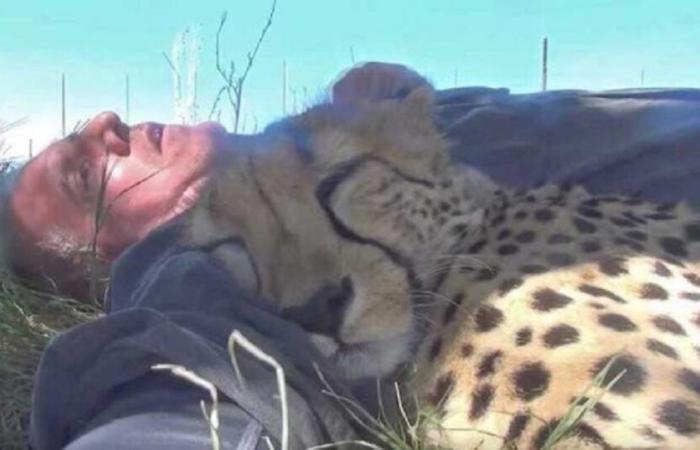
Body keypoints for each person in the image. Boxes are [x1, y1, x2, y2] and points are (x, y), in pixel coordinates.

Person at [12, 62, 700, 449]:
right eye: (80, 173)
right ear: (100, 268)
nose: (102, 122)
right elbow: (175, 386)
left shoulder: (336, 122)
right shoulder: (182, 263)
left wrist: (404, 103)